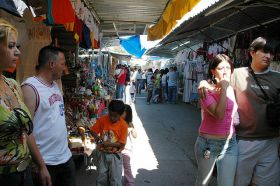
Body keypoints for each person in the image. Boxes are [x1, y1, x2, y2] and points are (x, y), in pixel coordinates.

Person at [199, 37, 280, 186]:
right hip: (243, 141)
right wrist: (203, 83)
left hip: (271, 141)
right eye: (264, 52)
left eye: (272, 53)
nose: (268, 56)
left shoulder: (277, 78)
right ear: (252, 52)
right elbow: (217, 80)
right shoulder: (236, 74)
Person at [0, 18, 51, 186]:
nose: (18, 52)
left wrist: (41, 165)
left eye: (17, 46)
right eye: (10, 46)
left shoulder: (13, 85)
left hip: (25, 174)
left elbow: (26, 132)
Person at [21, 46, 76, 186]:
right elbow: (26, 131)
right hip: (46, 163)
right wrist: (41, 166)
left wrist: (65, 139)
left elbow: (56, 117)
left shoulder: (55, 86)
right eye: (62, 63)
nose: (65, 68)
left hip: (65, 158)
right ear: (51, 64)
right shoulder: (30, 88)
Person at [195, 54, 238, 186]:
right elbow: (219, 115)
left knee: (227, 183)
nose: (225, 71)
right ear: (213, 71)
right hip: (208, 144)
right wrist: (223, 89)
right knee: (203, 182)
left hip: (230, 144)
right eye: (220, 68)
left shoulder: (232, 87)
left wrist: (226, 88)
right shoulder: (205, 90)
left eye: (228, 67)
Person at [90, 100, 128, 186]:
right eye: (110, 115)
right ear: (108, 111)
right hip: (102, 154)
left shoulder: (123, 125)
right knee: (101, 177)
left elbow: (122, 143)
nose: (112, 118)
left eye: (115, 116)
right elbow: (93, 130)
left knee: (115, 179)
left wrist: (109, 144)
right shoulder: (103, 120)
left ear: (120, 115)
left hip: (115, 156)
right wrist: (97, 138)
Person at [121, 104, 137, 186]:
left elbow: (135, 136)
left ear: (127, 114)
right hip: (117, 147)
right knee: (116, 167)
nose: (120, 114)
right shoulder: (117, 121)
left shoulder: (129, 123)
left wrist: (132, 129)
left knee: (127, 167)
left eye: (122, 112)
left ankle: (130, 182)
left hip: (126, 148)